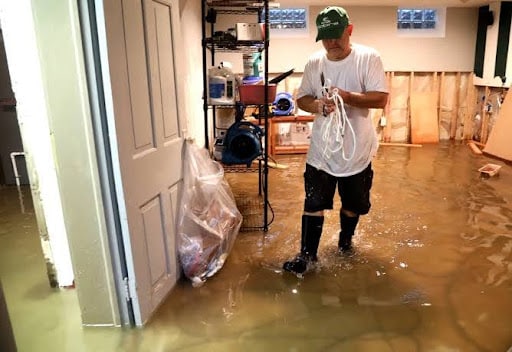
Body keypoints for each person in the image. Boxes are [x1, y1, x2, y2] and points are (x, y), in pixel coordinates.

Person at [283, 6, 389, 276]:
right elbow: (302, 98)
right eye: (325, 37)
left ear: (349, 30)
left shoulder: (368, 58)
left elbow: (380, 98)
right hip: (322, 149)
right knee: (313, 202)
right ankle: (306, 256)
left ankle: (345, 243)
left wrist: (347, 96)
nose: (330, 43)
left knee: (354, 205)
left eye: (336, 36)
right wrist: (318, 105)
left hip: (356, 150)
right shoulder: (314, 63)